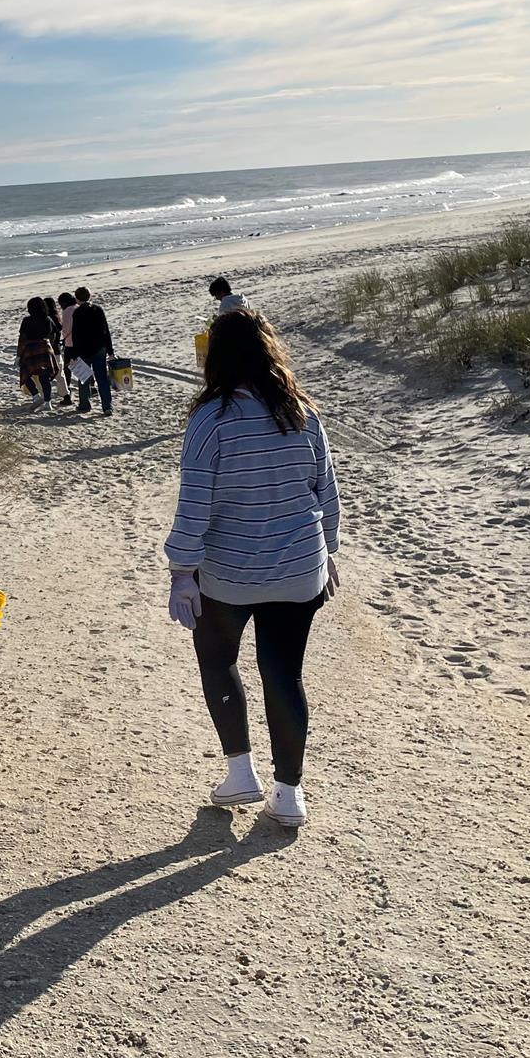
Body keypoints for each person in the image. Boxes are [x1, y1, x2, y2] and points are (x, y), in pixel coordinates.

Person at [164, 308, 341, 829]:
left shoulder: (211, 419)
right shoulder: (301, 412)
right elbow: (326, 493)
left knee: (218, 663)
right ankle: (289, 794)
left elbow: (195, 504)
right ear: (269, 350)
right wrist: (328, 551)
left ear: (215, 357)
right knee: (283, 674)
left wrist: (181, 571)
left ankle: (241, 772)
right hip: (299, 566)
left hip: (229, 573)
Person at [69, 284, 115, 416]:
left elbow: (75, 334)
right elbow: (106, 331)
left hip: (83, 349)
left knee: (84, 377)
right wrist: (110, 351)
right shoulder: (98, 310)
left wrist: (73, 353)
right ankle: (107, 406)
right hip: (99, 348)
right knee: (102, 378)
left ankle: (84, 404)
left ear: (77, 299)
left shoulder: (77, 313)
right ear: (90, 296)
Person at [16, 297, 57, 408]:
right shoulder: (48, 319)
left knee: (25, 373)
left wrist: (18, 355)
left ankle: (36, 396)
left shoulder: (27, 321)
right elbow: (54, 333)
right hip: (45, 347)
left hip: (30, 349)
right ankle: (48, 402)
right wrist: (50, 346)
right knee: (45, 376)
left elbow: (22, 338)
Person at [44, 296, 70, 402]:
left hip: (50, 349)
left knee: (46, 375)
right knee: (60, 374)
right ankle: (66, 395)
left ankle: (46, 397)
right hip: (57, 349)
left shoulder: (48, 319)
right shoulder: (57, 317)